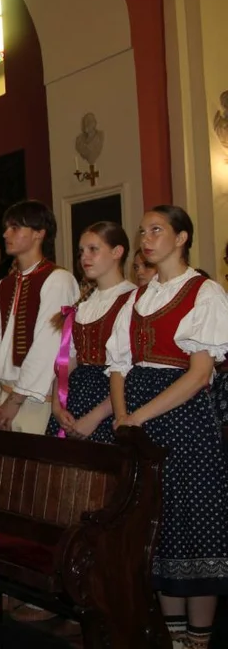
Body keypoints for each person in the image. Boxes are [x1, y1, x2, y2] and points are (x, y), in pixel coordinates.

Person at [106, 206, 228, 649]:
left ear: (182, 238)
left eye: (157, 230)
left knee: (192, 527)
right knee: (156, 529)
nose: (146, 239)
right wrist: (122, 417)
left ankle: (198, 640)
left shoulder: (204, 292)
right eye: (143, 232)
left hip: (184, 422)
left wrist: (137, 416)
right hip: (140, 422)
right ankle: (172, 637)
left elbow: (198, 374)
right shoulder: (136, 298)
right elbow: (118, 367)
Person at [0, 201, 80, 434]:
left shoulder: (58, 279)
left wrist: (16, 399)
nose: (6, 234)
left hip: (35, 398)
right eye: (7, 227)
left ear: (39, 233)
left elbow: (48, 344)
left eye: (15, 228)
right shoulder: (4, 285)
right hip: (3, 395)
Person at [45, 223, 134, 442]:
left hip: (109, 402)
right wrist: (57, 406)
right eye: (81, 251)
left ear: (117, 252)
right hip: (75, 400)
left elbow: (130, 373)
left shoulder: (133, 299)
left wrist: (94, 417)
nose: (85, 257)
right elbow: (67, 363)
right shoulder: (84, 306)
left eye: (93, 249)